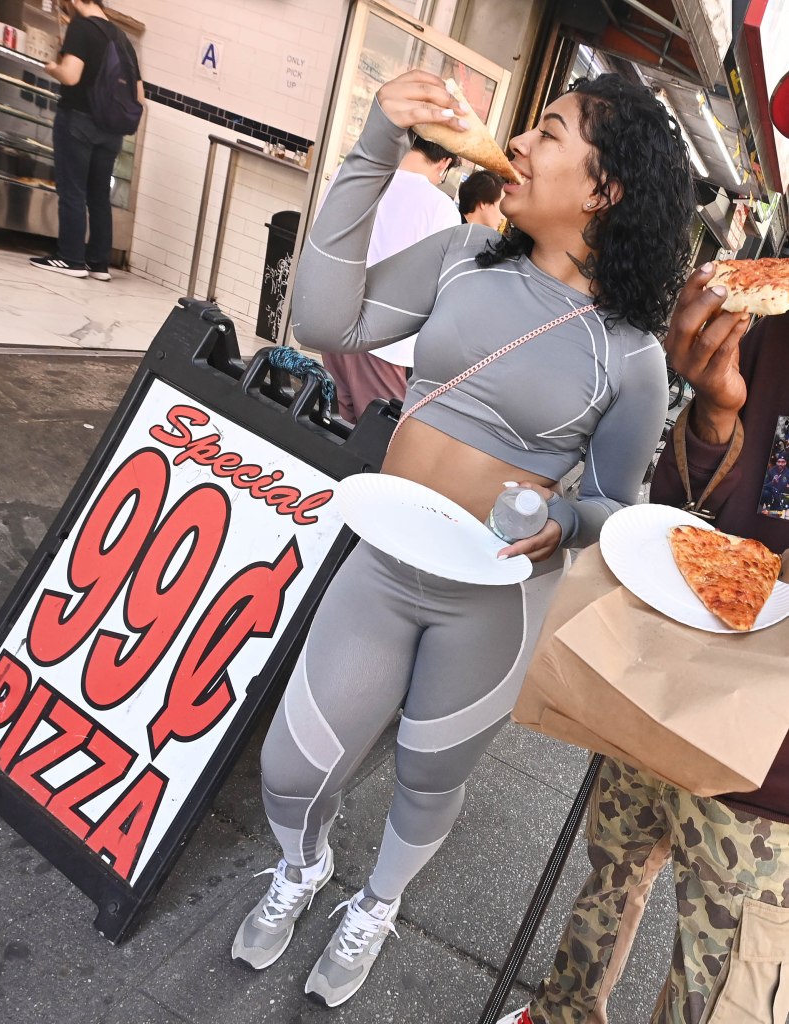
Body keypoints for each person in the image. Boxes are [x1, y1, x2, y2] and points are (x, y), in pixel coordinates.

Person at [232, 68, 694, 1008]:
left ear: (603, 190)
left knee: (426, 778)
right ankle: (302, 869)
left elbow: (614, 507)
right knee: (291, 767)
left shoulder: (631, 357)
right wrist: (370, 151)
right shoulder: (461, 256)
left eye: (550, 133)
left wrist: (565, 519)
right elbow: (324, 319)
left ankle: (379, 901)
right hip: (383, 558)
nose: (515, 144)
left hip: (490, 597)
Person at [501, 74, 789, 1024]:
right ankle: (560, 1012)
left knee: (720, 991)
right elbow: (683, 517)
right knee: (605, 880)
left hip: (770, 777)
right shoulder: (760, 321)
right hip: (665, 671)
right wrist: (710, 413)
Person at [320, 136, 461, 423]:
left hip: (330, 324)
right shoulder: (440, 207)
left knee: (332, 425)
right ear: (444, 162)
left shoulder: (350, 175)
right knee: (376, 438)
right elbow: (440, 288)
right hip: (384, 345)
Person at [30, 0, 143, 281]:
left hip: (78, 122)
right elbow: (139, 96)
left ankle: (70, 258)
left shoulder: (81, 28)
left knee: (73, 191)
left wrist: (52, 67)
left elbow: (70, 75)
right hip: (111, 131)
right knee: (98, 197)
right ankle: (99, 264)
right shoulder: (122, 38)